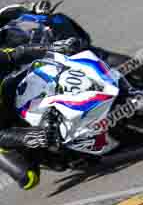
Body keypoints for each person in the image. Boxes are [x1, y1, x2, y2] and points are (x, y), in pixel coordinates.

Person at [0, 38, 82, 190]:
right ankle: (40, 154)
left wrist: (52, 47)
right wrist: (27, 137)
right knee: (29, 179)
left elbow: (18, 53)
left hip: (15, 98)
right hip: (4, 133)